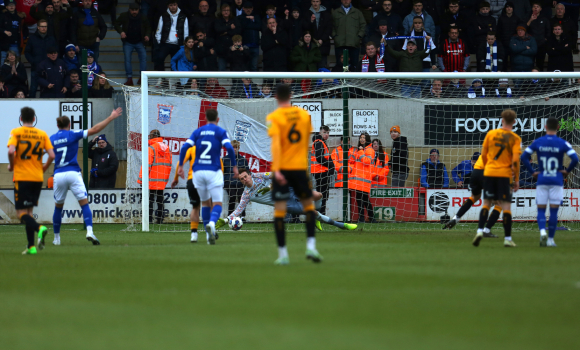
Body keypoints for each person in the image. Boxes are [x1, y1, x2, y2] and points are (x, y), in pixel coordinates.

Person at [265, 84, 322, 265]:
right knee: (309, 207)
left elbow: (276, 145)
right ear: (291, 95)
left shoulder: (273, 117)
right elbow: (305, 141)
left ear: (275, 97)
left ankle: (283, 255)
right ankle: (311, 247)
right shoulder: (304, 115)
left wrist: (277, 169)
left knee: (280, 211)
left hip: (282, 169)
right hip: (299, 168)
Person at [49, 108, 122, 246]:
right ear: (69, 125)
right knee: (84, 204)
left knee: (58, 207)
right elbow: (95, 129)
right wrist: (110, 117)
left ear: (58, 126)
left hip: (58, 174)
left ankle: (57, 239)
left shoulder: (52, 138)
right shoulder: (73, 134)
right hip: (73, 173)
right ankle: (89, 231)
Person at [216, 168, 358, 231]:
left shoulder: (259, 176)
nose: (244, 180)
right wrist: (227, 220)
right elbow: (239, 209)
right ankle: (343, 225)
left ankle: (317, 217)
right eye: (241, 179)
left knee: (318, 195)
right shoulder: (246, 194)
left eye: (245, 176)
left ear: (250, 174)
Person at [178, 109, 237, 245]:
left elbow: (184, 148)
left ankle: (207, 235)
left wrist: (181, 165)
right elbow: (229, 148)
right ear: (218, 119)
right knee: (217, 203)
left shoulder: (198, 132)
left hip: (197, 172)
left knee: (204, 203)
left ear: (205, 119)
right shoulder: (220, 132)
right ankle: (211, 223)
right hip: (213, 170)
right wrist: (234, 166)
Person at [522, 117, 578, 247]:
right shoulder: (563, 143)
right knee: (554, 211)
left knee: (541, 210)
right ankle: (551, 240)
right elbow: (575, 158)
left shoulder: (538, 142)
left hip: (542, 179)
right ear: (558, 127)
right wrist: (567, 171)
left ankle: (542, 232)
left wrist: (532, 172)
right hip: (557, 180)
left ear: (545, 127)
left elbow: (524, 156)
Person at [7, 107, 55, 255]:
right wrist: (44, 167)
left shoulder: (17, 132)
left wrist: (12, 164)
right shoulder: (42, 134)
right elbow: (52, 155)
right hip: (37, 178)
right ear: (34, 119)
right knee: (29, 211)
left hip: (22, 177)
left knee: (20, 213)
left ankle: (39, 228)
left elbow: (10, 151)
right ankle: (31, 247)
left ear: (21, 118)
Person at [472, 109, 522, 247]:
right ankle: (507, 238)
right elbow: (516, 161)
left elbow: (483, 155)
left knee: (486, 203)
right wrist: (516, 179)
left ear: (502, 120)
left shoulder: (491, 134)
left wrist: (489, 167)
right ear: (514, 122)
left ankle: (480, 231)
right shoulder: (515, 138)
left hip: (489, 173)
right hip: (504, 175)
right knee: (505, 206)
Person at [171, 137, 223, 243]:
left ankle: (194, 234)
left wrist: (176, 178)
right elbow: (220, 166)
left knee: (195, 207)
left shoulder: (191, 149)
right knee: (210, 205)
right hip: (209, 180)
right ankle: (210, 232)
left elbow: (179, 164)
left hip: (193, 179)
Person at [444, 152, 500, 238]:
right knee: (498, 203)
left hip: (475, 174)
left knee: (475, 197)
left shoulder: (485, 154)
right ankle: (485, 230)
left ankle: (456, 218)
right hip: (484, 173)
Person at [138, 130, 173, 225]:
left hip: (150, 180)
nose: (148, 137)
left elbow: (147, 165)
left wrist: (141, 179)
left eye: (150, 135)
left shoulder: (151, 148)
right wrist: (165, 179)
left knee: (149, 200)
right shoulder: (167, 148)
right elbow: (169, 165)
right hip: (162, 180)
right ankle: (160, 219)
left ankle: (148, 220)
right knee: (160, 200)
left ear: (153, 136)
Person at [115, 2, 151, 86]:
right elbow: (116, 24)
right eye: (132, 10)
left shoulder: (143, 17)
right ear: (129, 10)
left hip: (140, 41)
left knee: (143, 59)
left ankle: (142, 78)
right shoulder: (124, 15)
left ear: (139, 10)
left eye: (136, 10)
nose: (134, 12)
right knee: (127, 60)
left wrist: (147, 35)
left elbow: (148, 27)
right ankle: (129, 78)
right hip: (128, 42)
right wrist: (121, 31)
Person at [24, 19, 57, 97]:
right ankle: (30, 107)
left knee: (48, 89)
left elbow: (56, 52)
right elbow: (27, 52)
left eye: (45, 26)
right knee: (33, 89)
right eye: (42, 26)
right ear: (38, 27)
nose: (44, 28)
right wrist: (33, 61)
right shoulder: (32, 38)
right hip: (36, 68)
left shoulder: (51, 39)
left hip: (48, 69)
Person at [154, 0, 189, 73]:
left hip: (178, 44)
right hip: (165, 43)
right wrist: (160, 41)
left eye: (174, 5)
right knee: (159, 58)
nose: (173, 7)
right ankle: (161, 78)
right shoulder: (163, 16)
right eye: (171, 5)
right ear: (168, 6)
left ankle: (173, 80)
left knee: (176, 62)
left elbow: (186, 32)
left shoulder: (183, 17)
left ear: (177, 5)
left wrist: (184, 43)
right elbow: (158, 30)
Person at [332, 0, 367, 71]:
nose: (346, 1)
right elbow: (331, 26)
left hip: (353, 43)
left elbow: (363, 25)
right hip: (340, 43)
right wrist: (335, 36)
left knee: (354, 65)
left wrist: (359, 36)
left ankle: (353, 82)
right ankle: (340, 82)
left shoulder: (357, 12)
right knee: (339, 65)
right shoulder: (335, 12)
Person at [349, 132, 376, 223]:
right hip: (359, 179)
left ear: (367, 139)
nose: (362, 139)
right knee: (361, 199)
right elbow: (353, 161)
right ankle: (367, 218)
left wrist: (360, 152)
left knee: (363, 199)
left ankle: (366, 218)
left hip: (363, 179)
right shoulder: (361, 149)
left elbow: (367, 161)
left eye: (364, 137)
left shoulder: (369, 150)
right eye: (361, 137)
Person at [311, 125, 335, 215]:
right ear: (320, 132)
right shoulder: (319, 142)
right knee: (323, 194)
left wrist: (331, 165)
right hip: (320, 172)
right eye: (324, 132)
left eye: (328, 133)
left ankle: (320, 214)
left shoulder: (322, 142)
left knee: (323, 194)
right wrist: (330, 165)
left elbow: (325, 157)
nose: (326, 134)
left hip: (320, 171)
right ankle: (320, 214)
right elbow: (319, 157)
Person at [223, 140, 249, 220]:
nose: (234, 149)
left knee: (242, 196)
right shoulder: (224, 159)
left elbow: (248, 172)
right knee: (233, 196)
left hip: (240, 183)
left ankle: (243, 216)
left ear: (239, 148)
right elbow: (221, 172)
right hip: (229, 183)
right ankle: (230, 216)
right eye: (232, 147)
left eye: (236, 147)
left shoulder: (243, 160)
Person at [304, 0, 332, 69]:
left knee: (322, 67)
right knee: (312, 68)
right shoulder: (307, 13)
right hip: (311, 45)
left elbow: (329, 28)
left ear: (320, 2)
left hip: (323, 45)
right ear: (311, 2)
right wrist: (311, 21)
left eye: (317, 1)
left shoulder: (326, 14)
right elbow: (305, 28)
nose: (315, 3)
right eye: (313, 1)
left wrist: (322, 39)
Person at [214, 3, 240, 71]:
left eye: (228, 10)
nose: (226, 12)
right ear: (221, 11)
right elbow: (217, 30)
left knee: (235, 71)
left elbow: (238, 31)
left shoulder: (234, 20)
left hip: (233, 49)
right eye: (224, 10)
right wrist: (229, 27)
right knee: (221, 70)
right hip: (221, 50)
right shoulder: (217, 20)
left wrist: (226, 32)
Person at [526, 2, 550, 71]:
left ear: (541, 9)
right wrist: (531, 20)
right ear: (532, 8)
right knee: (530, 64)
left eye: (537, 6)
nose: (536, 8)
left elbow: (548, 31)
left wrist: (545, 39)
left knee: (540, 64)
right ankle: (530, 80)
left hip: (541, 45)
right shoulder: (528, 17)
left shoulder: (544, 19)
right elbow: (524, 29)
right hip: (530, 45)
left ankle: (540, 81)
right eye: (534, 6)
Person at [497, 2, 521, 70]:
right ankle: (504, 78)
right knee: (504, 61)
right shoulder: (501, 18)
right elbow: (498, 32)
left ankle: (514, 78)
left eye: (510, 7)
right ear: (505, 9)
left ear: (513, 9)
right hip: (503, 43)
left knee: (514, 61)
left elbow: (519, 31)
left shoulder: (517, 18)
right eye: (507, 7)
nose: (509, 8)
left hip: (514, 43)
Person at [240, 2, 261, 71]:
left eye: (250, 8)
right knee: (245, 67)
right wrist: (249, 20)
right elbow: (242, 27)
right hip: (245, 46)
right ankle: (246, 82)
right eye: (246, 8)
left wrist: (249, 23)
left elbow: (259, 27)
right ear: (243, 8)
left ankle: (253, 82)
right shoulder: (240, 18)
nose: (248, 10)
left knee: (254, 67)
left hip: (255, 46)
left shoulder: (257, 17)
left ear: (252, 8)